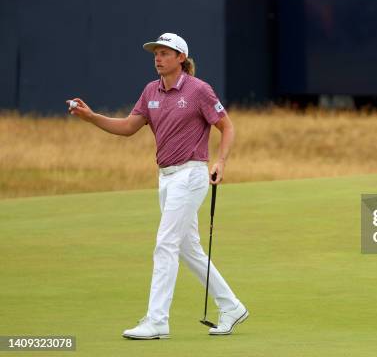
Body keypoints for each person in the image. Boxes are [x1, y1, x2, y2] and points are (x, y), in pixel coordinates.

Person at [67, 33, 248, 338]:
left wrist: (222, 162)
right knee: (188, 249)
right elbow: (128, 127)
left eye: (165, 53)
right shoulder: (150, 90)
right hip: (165, 178)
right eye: (156, 53)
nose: (158, 57)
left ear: (181, 58)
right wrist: (92, 117)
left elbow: (226, 126)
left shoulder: (199, 90)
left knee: (165, 244)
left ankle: (157, 320)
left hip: (191, 175)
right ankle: (231, 306)